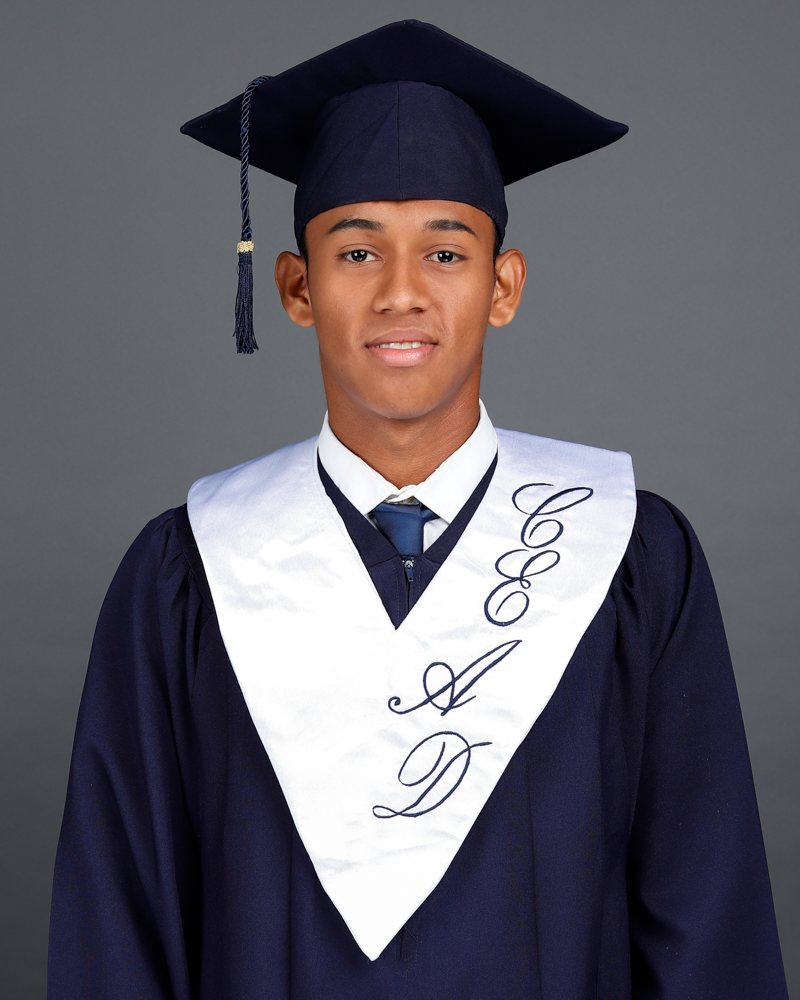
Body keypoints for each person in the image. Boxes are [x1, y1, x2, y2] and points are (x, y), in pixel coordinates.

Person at [48, 20, 788, 1000]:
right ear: (296, 287)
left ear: (503, 286)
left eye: (445, 252)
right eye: (357, 252)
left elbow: (706, 926)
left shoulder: (630, 560)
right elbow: (117, 926)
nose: (400, 293)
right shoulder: (186, 574)